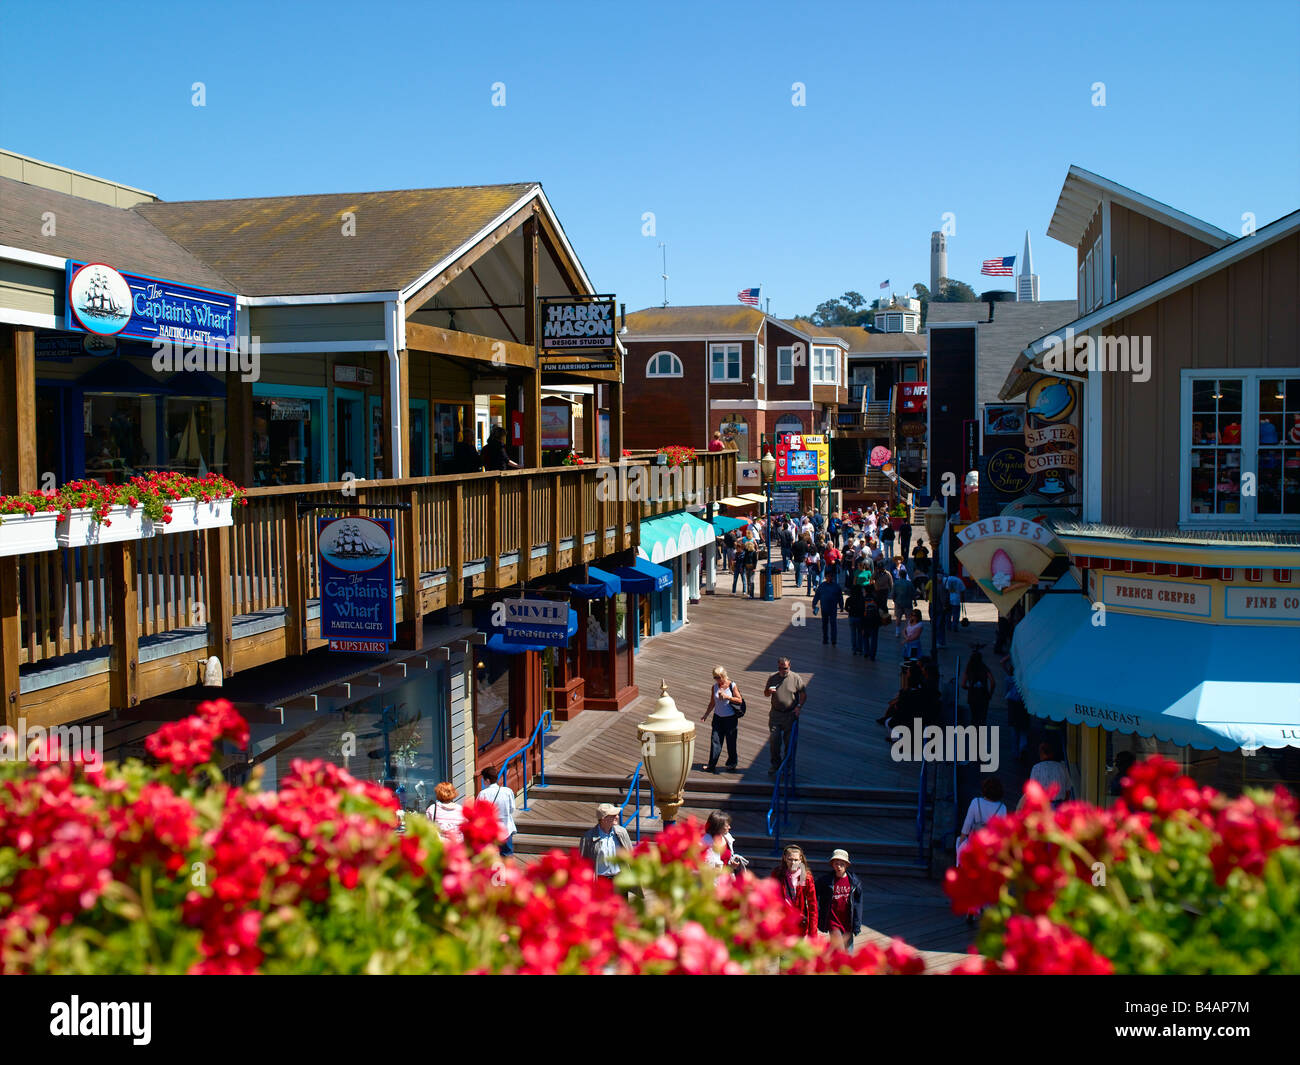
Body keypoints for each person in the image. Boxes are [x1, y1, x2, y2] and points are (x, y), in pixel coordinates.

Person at [956, 778, 1007, 924]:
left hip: (974, 846)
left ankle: (971, 908)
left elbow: (967, 825)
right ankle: (986, 907)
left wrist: (961, 841)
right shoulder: (1002, 808)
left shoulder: (975, 802)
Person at [764, 656, 807, 775]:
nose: (782, 671)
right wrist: (769, 692)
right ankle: (775, 765)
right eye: (780, 668)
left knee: (790, 743)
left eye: (785, 668)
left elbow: (803, 694)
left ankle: (787, 766)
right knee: (774, 740)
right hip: (775, 714)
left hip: (790, 715)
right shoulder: (773, 677)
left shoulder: (796, 678)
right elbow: (766, 693)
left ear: (790, 666)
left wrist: (798, 707)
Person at [815, 849, 863, 952]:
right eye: (836, 864)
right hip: (833, 921)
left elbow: (858, 904)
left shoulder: (854, 882)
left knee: (849, 952)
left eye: (842, 864)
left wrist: (857, 924)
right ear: (832, 864)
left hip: (847, 922)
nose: (839, 867)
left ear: (847, 865)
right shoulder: (826, 881)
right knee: (839, 950)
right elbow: (814, 892)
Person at [701, 665, 743, 772]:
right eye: (715, 677)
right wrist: (706, 715)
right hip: (718, 718)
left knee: (731, 741)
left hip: (730, 718)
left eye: (719, 677)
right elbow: (712, 702)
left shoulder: (732, 685)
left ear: (724, 676)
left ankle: (732, 763)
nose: (717, 680)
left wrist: (727, 697)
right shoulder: (714, 687)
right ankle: (711, 765)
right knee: (715, 740)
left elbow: (739, 700)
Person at [770, 844, 818, 937]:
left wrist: (813, 933)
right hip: (782, 918)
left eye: (796, 860)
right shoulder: (778, 874)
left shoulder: (805, 877)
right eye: (790, 859)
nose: (793, 863)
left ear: (800, 859)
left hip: (799, 920)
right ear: (784, 858)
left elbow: (813, 905)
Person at [578, 802, 632, 879]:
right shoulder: (588, 836)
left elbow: (630, 854)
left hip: (620, 878)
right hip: (601, 881)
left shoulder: (622, 832)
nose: (617, 817)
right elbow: (582, 861)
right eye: (613, 815)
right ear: (603, 818)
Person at [1020, 740, 1074, 810]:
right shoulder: (1062, 767)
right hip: (1059, 807)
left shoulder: (1036, 768)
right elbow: (1068, 790)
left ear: (1042, 753)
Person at [476, 767, 518, 855]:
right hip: (506, 828)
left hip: (489, 830)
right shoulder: (508, 791)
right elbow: (512, 809)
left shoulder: (483, 794)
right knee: (507, 854)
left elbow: (478, 813)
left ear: (487, 780)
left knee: (489, 856)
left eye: (483, 779)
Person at [962, 648, 996, 728]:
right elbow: (993, 682)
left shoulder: (969, 668)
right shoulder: (984, 667)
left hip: (972, 696)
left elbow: (963, 685)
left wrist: (970, 688)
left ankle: (974, 737)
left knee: (974, 718)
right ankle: (981, 738)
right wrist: (990, 694)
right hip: (983, 695)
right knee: (982, 719)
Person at [812, 569, 844, 647]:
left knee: (833, 624)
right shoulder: (822, 586)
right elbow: (817, 596)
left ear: (833, 577)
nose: (829, 577)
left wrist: (841, 606)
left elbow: (840, 597)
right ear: (825, 577)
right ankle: (825, 639)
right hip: (824, 608)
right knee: (824, 625)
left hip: (833, 609)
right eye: (828, 576)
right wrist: (814, 604)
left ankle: (833, 640)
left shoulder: (837, 586)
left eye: (831, 576)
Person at [891, 567, 916, 638]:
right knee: (908, 618)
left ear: (899, 575)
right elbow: (913, 593)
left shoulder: (896, 583)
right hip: (908, 603)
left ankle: (897, 632)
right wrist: (915, 601)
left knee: (898, 617)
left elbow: (893, 593)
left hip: (898, 602)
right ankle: (908, 631)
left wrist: (894, 599)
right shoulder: (909, 583)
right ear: (906, 575)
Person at [845, 581, 867, 656]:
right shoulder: (862, 599)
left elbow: (846, 608)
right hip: (860, 618)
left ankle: (854, 649)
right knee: (860, 634)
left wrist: (850, 611)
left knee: (853, 634)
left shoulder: (849, 599)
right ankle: (860, 649)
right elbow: (864, 609)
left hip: (851, 617)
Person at [861, 587, 882, 661]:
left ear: (866, 591)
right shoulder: (876, 599)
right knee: (874, 638)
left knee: (865, 636)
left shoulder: (863, 599)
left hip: (866, 621)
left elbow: (861, 612)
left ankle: (866, 652)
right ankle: (872, 655)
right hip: (875, 621)